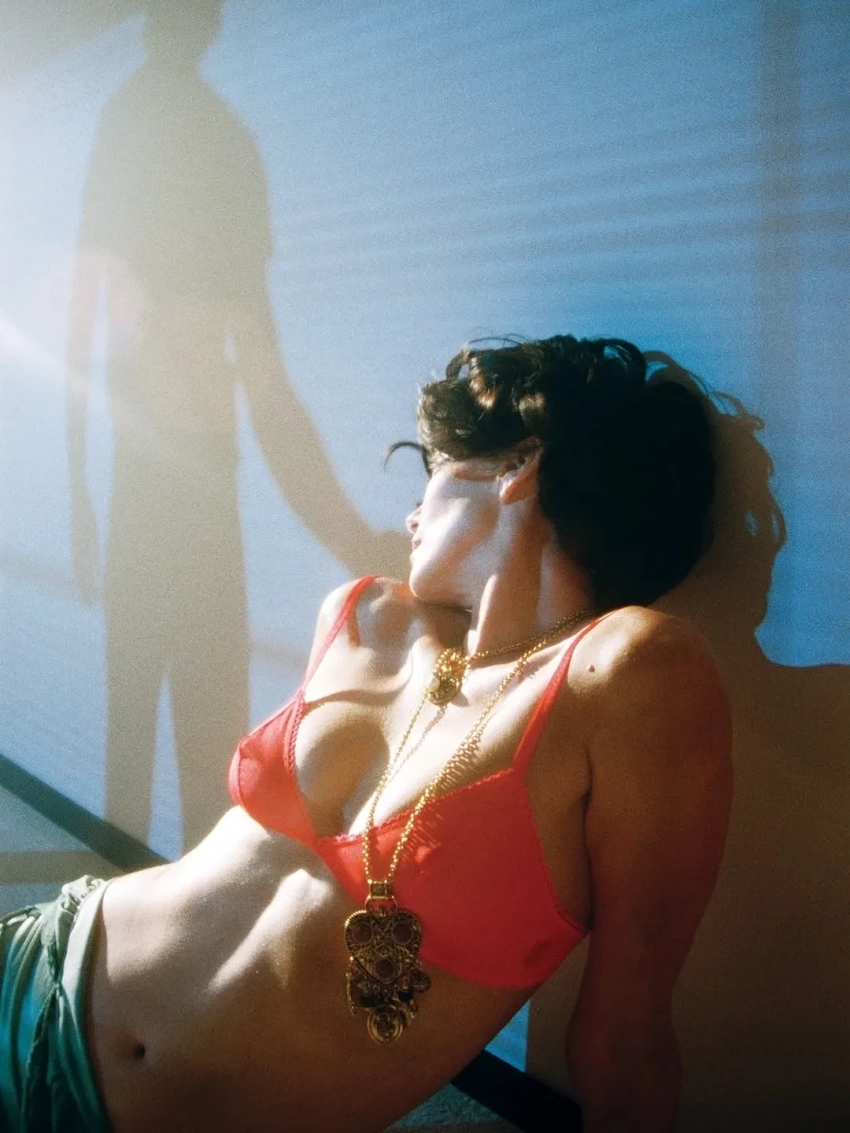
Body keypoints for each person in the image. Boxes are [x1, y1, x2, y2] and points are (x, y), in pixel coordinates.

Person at [1, 334, 733, 1132]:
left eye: (436, 470)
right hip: (44, 963)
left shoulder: (634, 670)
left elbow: (623, 1041)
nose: (412, 513)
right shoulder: (369, 616)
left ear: (520, 466)